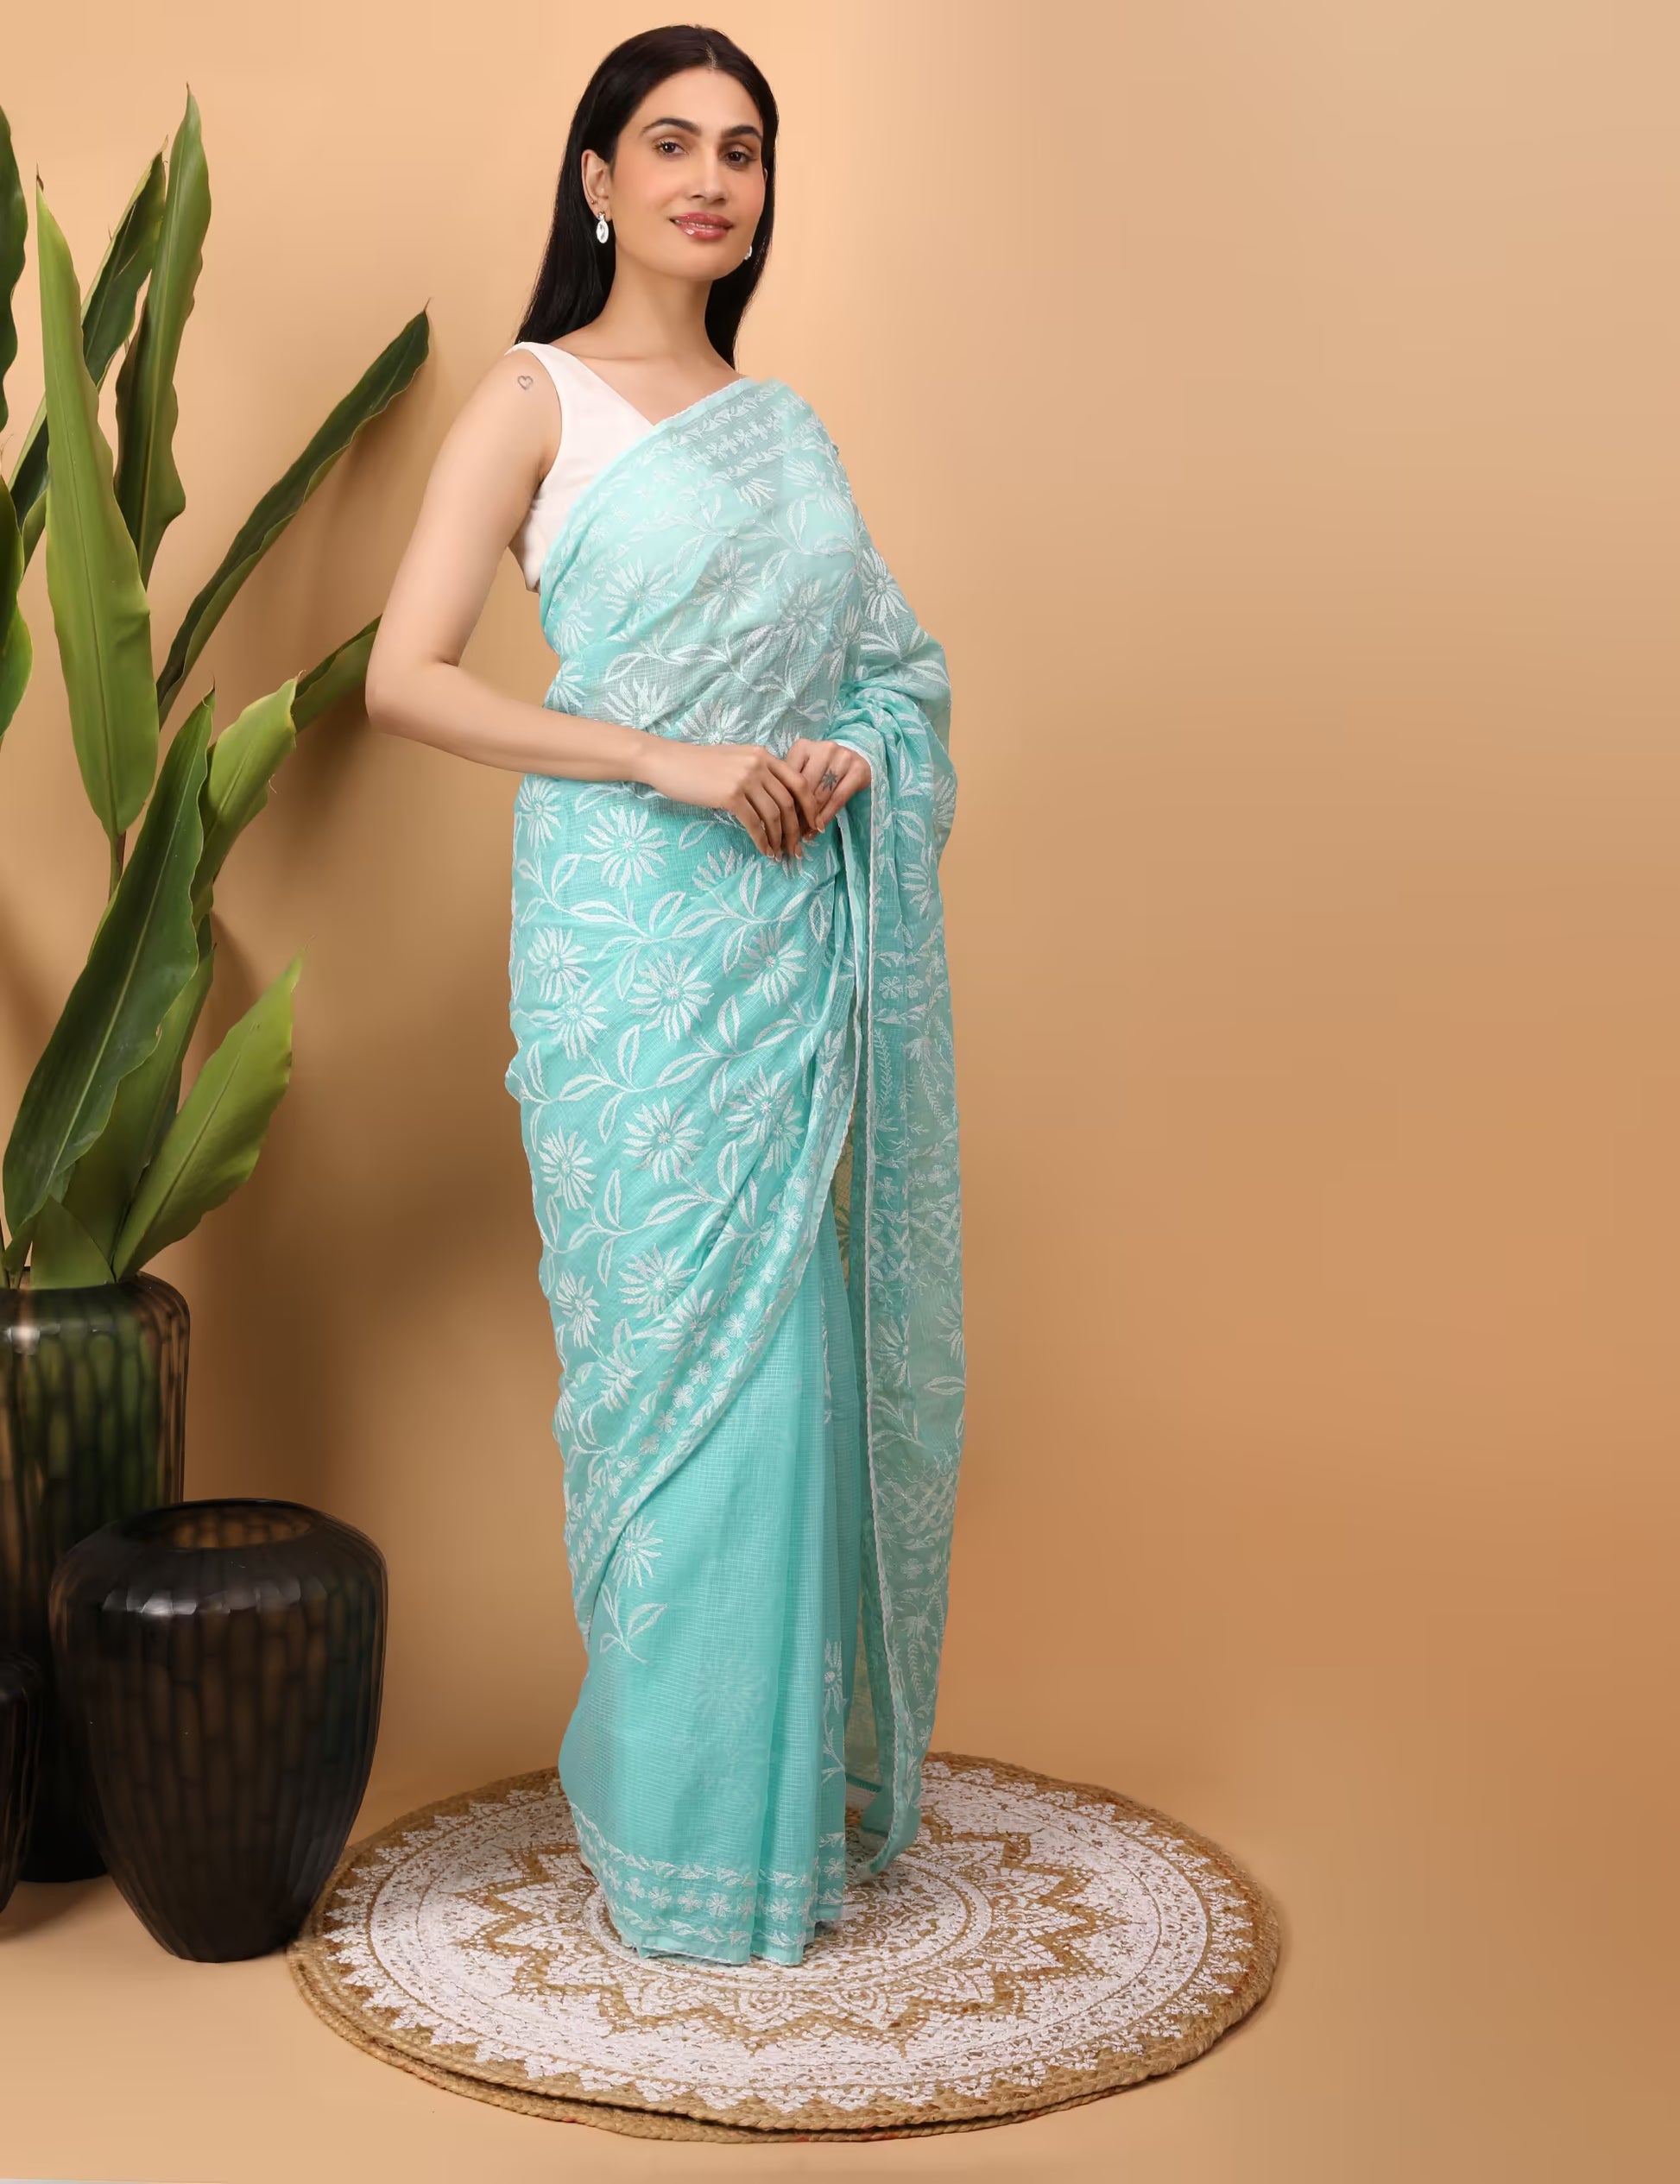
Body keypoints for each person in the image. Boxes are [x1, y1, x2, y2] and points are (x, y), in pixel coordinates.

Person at [365, 22, 963, 1967]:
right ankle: (680, 1838)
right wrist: (674, 761)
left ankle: (759, 1841)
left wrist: (834, 763)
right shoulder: (532, 399)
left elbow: (892, 674)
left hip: (784, 940)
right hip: (632, 954)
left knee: (783, 1377)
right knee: (665, 1383)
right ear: (598, 179)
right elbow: (407, 677)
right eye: (670, 144)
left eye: (745, 152)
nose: (710, 179)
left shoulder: (783, 428)